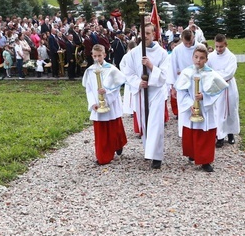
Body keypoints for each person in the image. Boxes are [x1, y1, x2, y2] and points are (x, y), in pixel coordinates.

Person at [120, 23, 170, 169]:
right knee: (145, 123)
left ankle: (156, 156)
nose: (146, 36)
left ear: (154, 35)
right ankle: (149, 150)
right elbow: (126, 69)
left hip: (156, 93)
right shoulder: (134, 52)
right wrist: (138, 82)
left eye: (148, 33)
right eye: (144, 33)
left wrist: (150, 66)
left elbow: (164, 75)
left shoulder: (161, 53)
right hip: (141, 93)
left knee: (155, 123)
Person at [175, 46, 228, 172]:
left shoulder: (211, 74)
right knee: (191, 131)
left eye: (202, 58)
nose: (198, 60)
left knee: (205, 133)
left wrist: (204, 97)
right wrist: (190, 104)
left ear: (206, 59)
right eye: (196, 57)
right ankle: (192, 154)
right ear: (192, 57)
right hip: (191, 108)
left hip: (205, 109)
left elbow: (217, 91)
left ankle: (205, 160)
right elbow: (181, 91)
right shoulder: (186, 73)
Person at [82, 44, 128, 165]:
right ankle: (103, 156)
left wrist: (106, 94)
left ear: (104, 55)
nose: (97, 58)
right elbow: (89, 89)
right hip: (97, 105)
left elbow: (116, 87)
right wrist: (93, 103)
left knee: (113, 128)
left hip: (111, 104)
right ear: (92, 56)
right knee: (101, 133)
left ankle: (117, 145)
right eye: (95, 56)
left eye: (99, 56)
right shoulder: (90, 70)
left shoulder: (111, 69)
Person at [207, 34, 240, 148]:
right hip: (216, 87)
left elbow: (229, 73)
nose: (219, 49)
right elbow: (207, 70)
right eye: (217, 46)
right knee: (218, 111)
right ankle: (220, 136)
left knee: (231, 109)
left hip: (229, 86)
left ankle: (230, 134)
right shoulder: (211, 57)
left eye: (221, 46)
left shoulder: (231, 57)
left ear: (225, 44)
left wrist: (216, 73)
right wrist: (217, 74)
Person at [168, 29, 196, 136]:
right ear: (182, 40)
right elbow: (172, 67)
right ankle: (184, 132)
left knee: (197, 106)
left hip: (196, 82)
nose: (188, 45)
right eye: (186, 43)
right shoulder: (177, 50)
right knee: (184, 108)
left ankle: (197, 131)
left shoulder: (199, 47)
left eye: (190, 42)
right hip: (182, 82)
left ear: (193, 38)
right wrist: (173, 86)